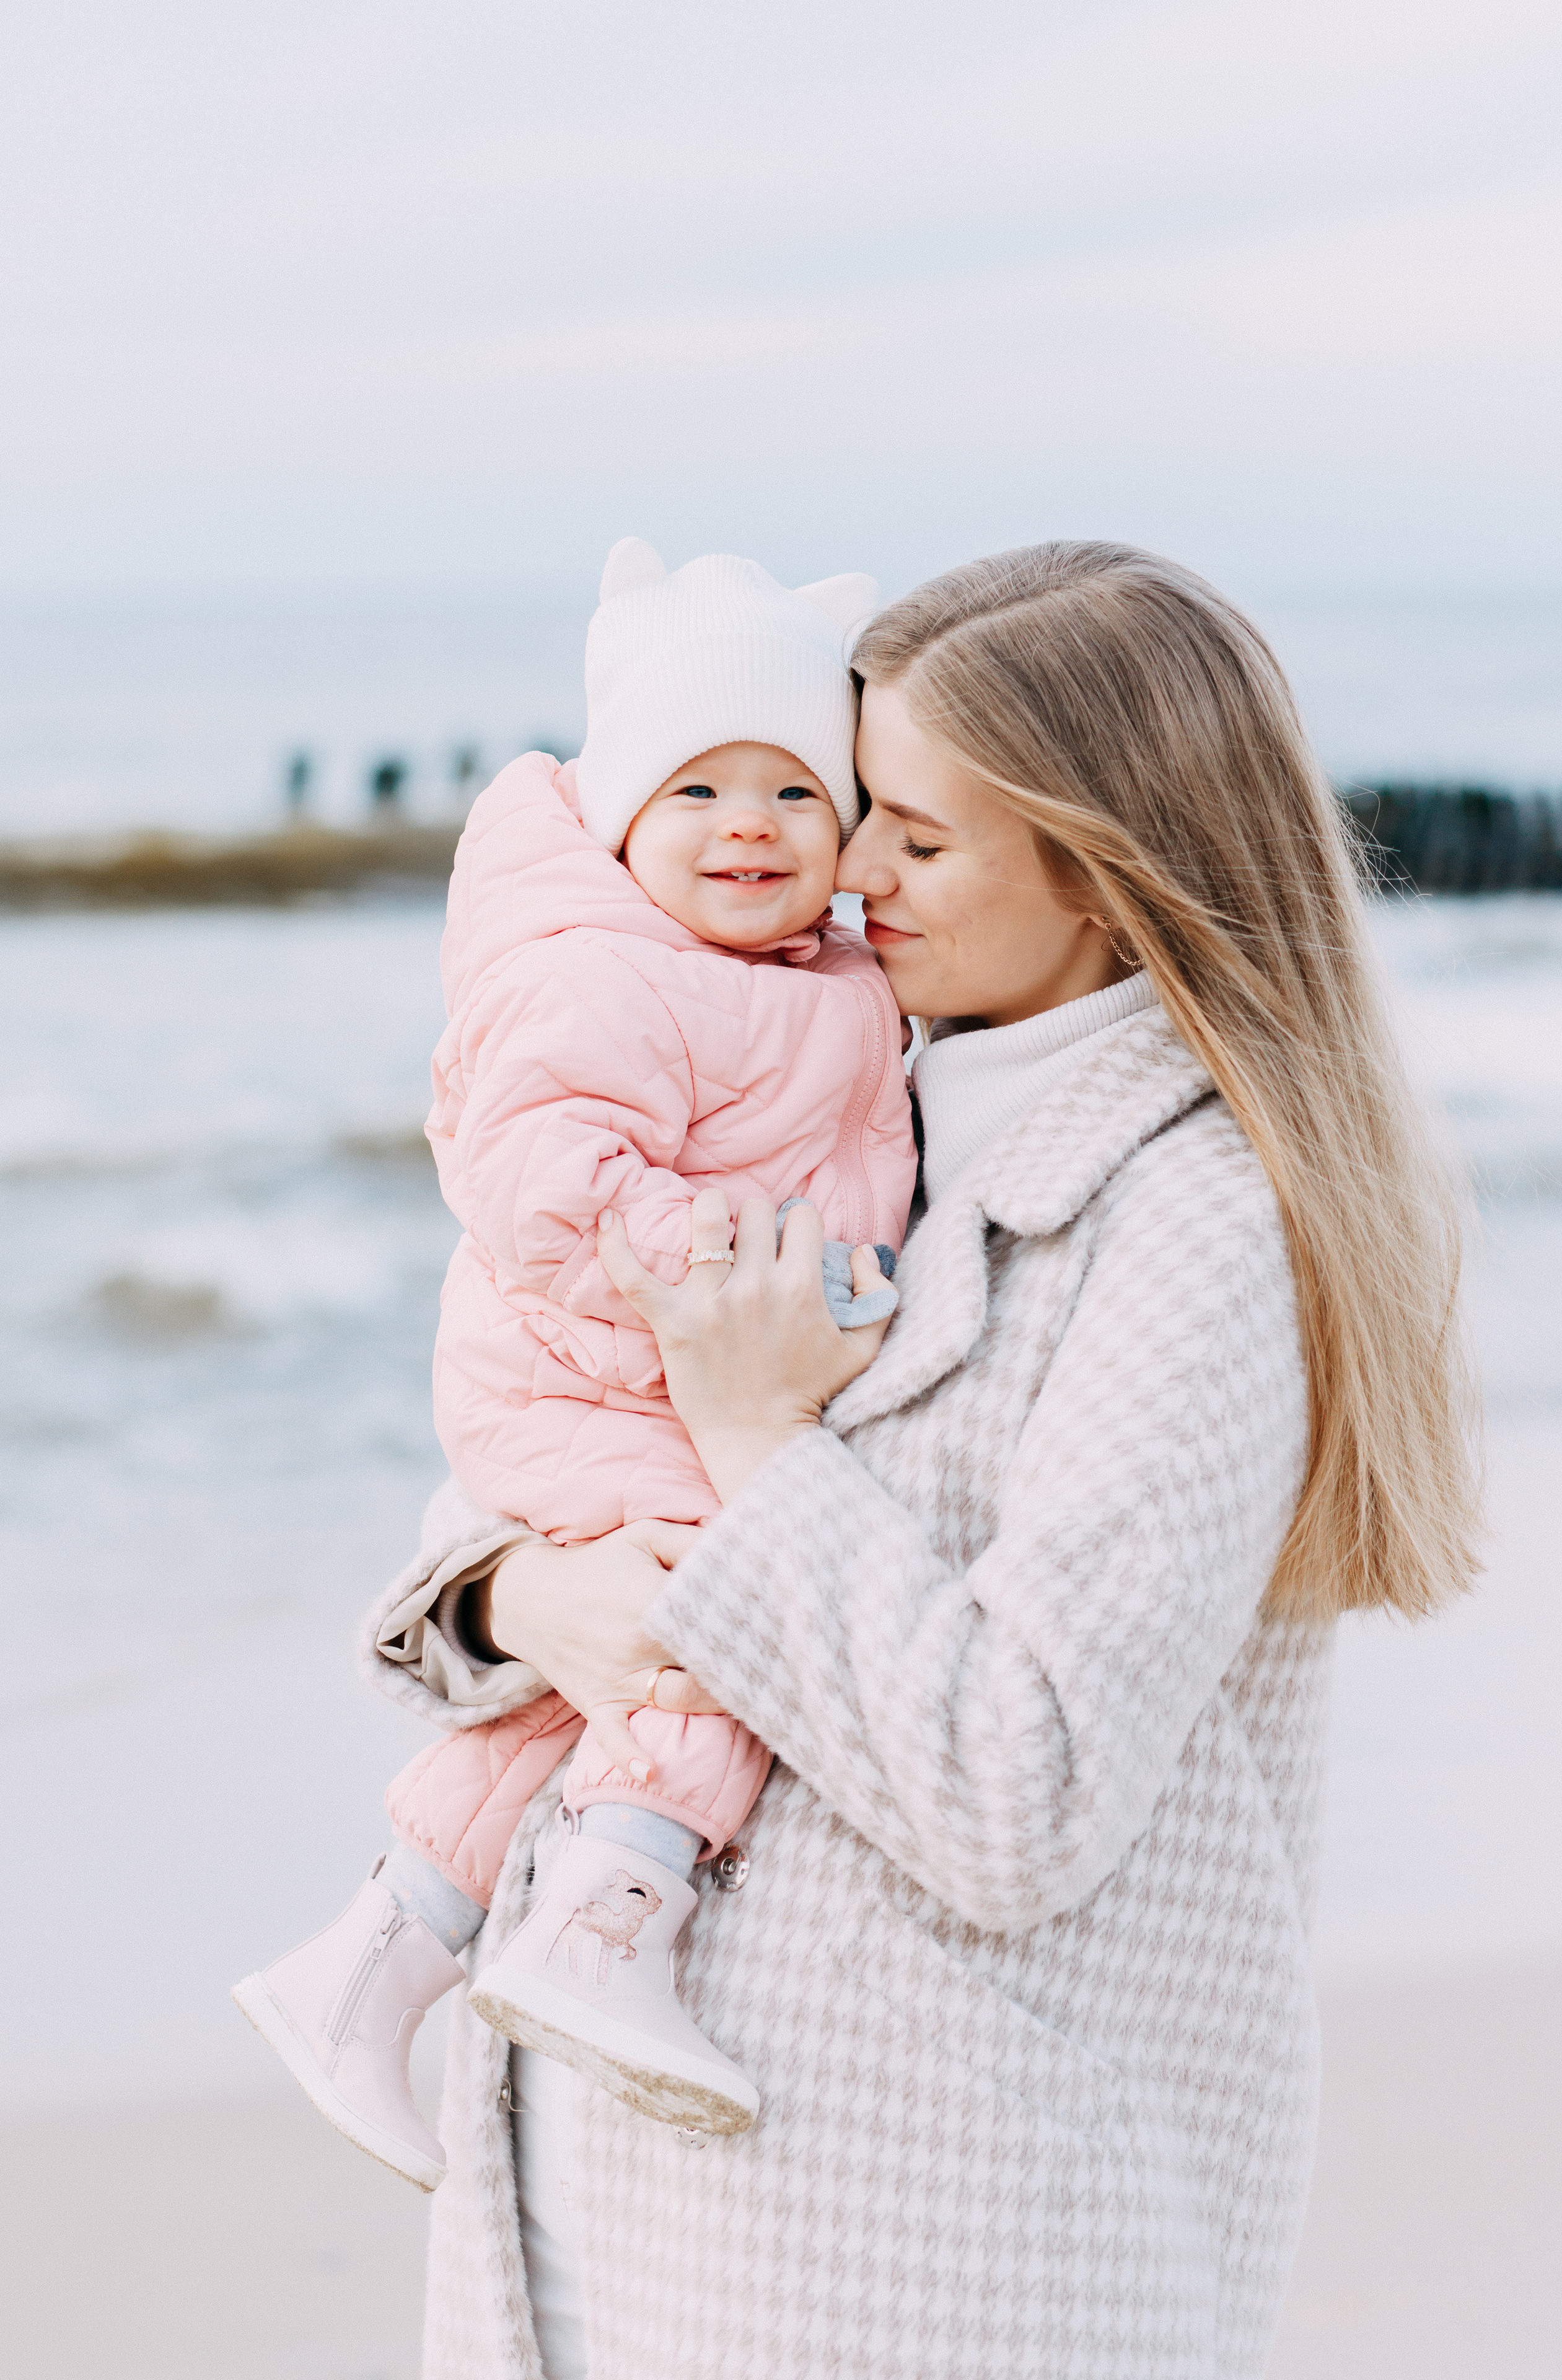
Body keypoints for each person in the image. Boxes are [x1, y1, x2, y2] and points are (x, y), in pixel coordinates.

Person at [362, 541, 1480, 2380]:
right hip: (627, 2211)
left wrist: (750, 1427)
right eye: (859, 804)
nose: (849, 872)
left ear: (1109, 874)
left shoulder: (1196, 1224)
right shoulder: (852, 1102)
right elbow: (563, 1452)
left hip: (925, 2254)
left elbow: (1014, 1791)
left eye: (920, 838)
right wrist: (516, 1591)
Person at [232, 540, 918, 2186]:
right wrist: (753, 1278)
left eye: (789, 794)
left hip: (650, 1372)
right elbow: (543, 1184)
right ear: (617, 820)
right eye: (695, 792)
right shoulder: (606, 973)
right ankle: (604, 1929)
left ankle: (375, 1959)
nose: (746, 824)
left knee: (570, 1695)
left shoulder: (811, 977)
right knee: (712, 1620)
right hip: (578, 1379)